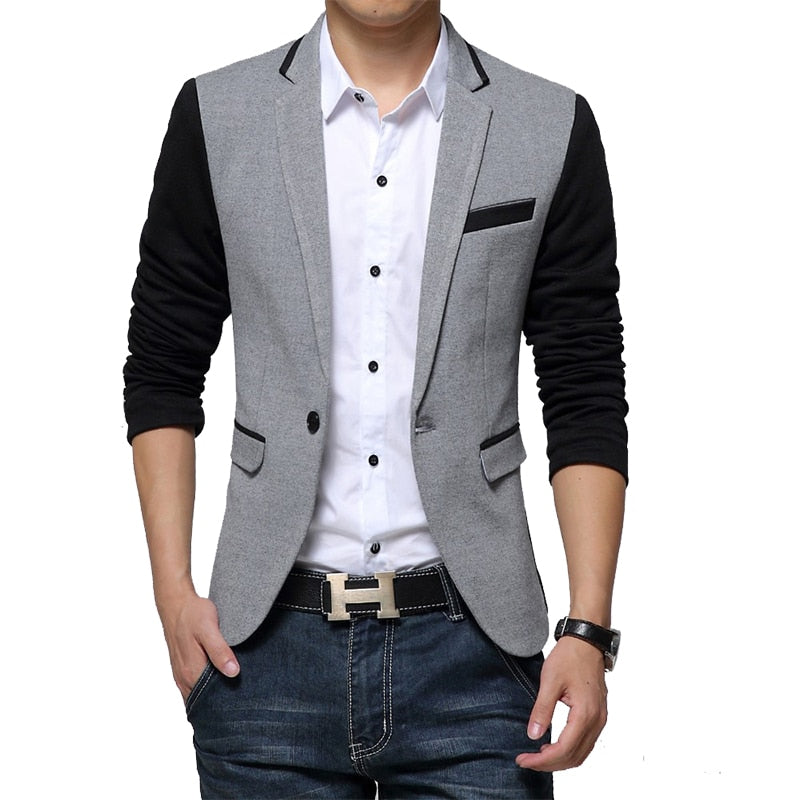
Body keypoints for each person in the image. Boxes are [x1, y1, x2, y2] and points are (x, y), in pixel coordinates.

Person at [124, 1, 627, 796]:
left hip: (476, 656)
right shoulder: (218, 116)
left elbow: (583, 384)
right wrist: (172, 596)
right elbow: (162, 365)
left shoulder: (547, 123)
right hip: (263, 660)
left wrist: (588, 628)